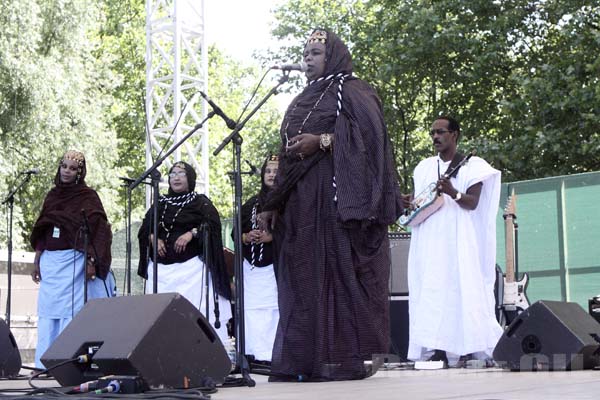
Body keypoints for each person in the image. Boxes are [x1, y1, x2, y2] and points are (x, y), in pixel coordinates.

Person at [258, 29, 403, 381]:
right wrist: (272, 202)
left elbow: (370, 141)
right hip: (301, 207)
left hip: (338, 206)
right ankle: (306, 362)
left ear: (333, 56)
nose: (307, 59)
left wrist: (321, 141)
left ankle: (347, 360)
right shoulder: (303, 98)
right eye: (305, 53)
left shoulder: (353, 91)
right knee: (304, 283)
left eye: (315, 53)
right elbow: (287, 155)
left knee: (342, 279)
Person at [404, 116, 502, 368]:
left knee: (462, 290)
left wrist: (452, 192)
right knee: (431, 291)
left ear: (455, 134)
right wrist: (407, 201)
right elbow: (418, 200)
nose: (435, 137)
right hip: (430, 240)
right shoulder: (424, 167)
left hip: (460, 242)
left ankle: (463, 350)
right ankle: (429, 350)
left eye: (441, 132)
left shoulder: (474, 166)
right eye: (432, 132)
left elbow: (472, 203)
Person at [30, 150, 116, 368]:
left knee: (70, 313)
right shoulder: (52, 195)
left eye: (72, 168)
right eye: (64, 166)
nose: (66, 171)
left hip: (73, 262)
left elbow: (99, 230)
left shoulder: (87, 197)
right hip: (51, 262)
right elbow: (42, 230)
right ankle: (44, 364)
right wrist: (37, 259)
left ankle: (65, 363)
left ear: (80, 172)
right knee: (48, 313)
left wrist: (91, 262)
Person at [137, 161, 232, 344]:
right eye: (172, 174)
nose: (176, 177)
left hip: (193, 273)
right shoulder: (160, 203)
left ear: (190, 178)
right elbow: (144, 229)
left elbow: (212, 227)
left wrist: (191, 234)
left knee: (193, 316)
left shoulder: (200, 202)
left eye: (181, 173)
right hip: (162, 273)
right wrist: (152, 238)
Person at [236, 155, 280, 363]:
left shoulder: (290, 200)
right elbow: (237, 231)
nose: (271, 175)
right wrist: (246, 236)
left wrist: (272, 236)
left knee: (274, 311)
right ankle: (253, 355)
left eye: (276, 171)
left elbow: (300, 231)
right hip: (251, 269)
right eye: (268, 171)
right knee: (252, 311)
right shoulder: (251, 204)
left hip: (277, 268)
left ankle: (274, 355)